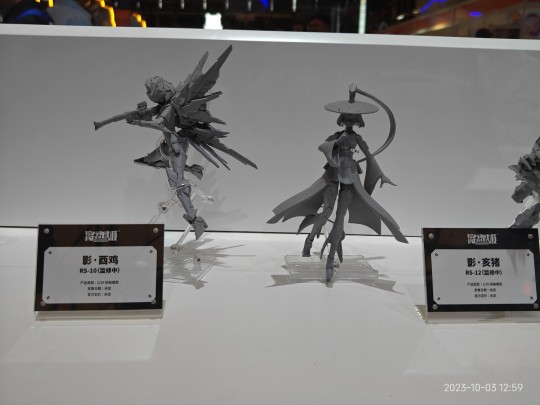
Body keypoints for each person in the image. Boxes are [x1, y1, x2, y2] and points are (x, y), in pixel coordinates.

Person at [268, 84, 407, 282]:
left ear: (357, 120)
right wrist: (337, 143)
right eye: (347, 118)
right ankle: (309, 240)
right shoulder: (336, 135)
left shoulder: (357, 138)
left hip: (350, 177)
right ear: (342, 118)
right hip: (333, 175)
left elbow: (369, 156)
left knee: (340, 218)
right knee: (326, 212)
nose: (349, 121)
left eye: (353, 118)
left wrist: (381, 174)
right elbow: (323, 146)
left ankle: (330, 261)